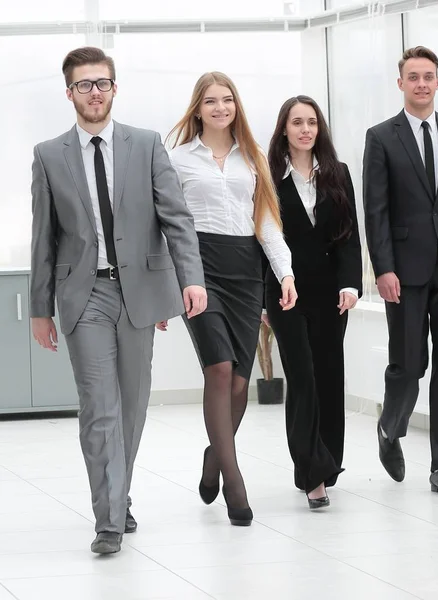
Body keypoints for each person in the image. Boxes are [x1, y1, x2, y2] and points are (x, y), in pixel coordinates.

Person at [30, 46, 206, 554]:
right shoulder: (48, 154)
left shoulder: (147, 145)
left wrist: (189, 280)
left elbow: (176, 218)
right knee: (99, 408)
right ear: (70, 93)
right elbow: (44, 237)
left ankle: (118, 494)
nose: (94, 92)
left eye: (102, 82)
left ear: (114, 87)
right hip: (84, 296)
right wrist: (41, 309)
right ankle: (108, 519)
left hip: (139, 294)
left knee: (130, 408)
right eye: (84, 84)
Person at [161, 72, 297, 526]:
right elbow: (162, 226)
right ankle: (235, 484)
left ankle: (213, 457)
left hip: (244, 271)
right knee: (218, 369)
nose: (220, 108)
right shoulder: (176, 160)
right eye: (210, 101)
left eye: (227, 100)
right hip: (197, 269)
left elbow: (267, 222)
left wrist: (286, 273)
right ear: (197, 109)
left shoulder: (252, 158)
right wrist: (164, 286)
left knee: (239, 384)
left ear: (235, 106)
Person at [363, 46, 438, 497]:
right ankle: (389, 428)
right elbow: (374, 210)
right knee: (409, 363)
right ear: (400, 83)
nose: (421, 83)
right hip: (405, 270)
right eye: (412, 76)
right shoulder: (381, 137)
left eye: (428, 76)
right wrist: (383, 269)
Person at [265, 96, 362, 509]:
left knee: (327, 376)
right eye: (296, 122)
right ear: (283, 129)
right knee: (302, 377)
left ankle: (325, 461)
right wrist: (261, 298)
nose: (305, 129)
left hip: (329, 294)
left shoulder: (337, 173)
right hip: (284, 292)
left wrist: (351, 284)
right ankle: (312, 472)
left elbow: (348, 235)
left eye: (311, 122)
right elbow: (261, 240)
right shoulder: (266, 176)